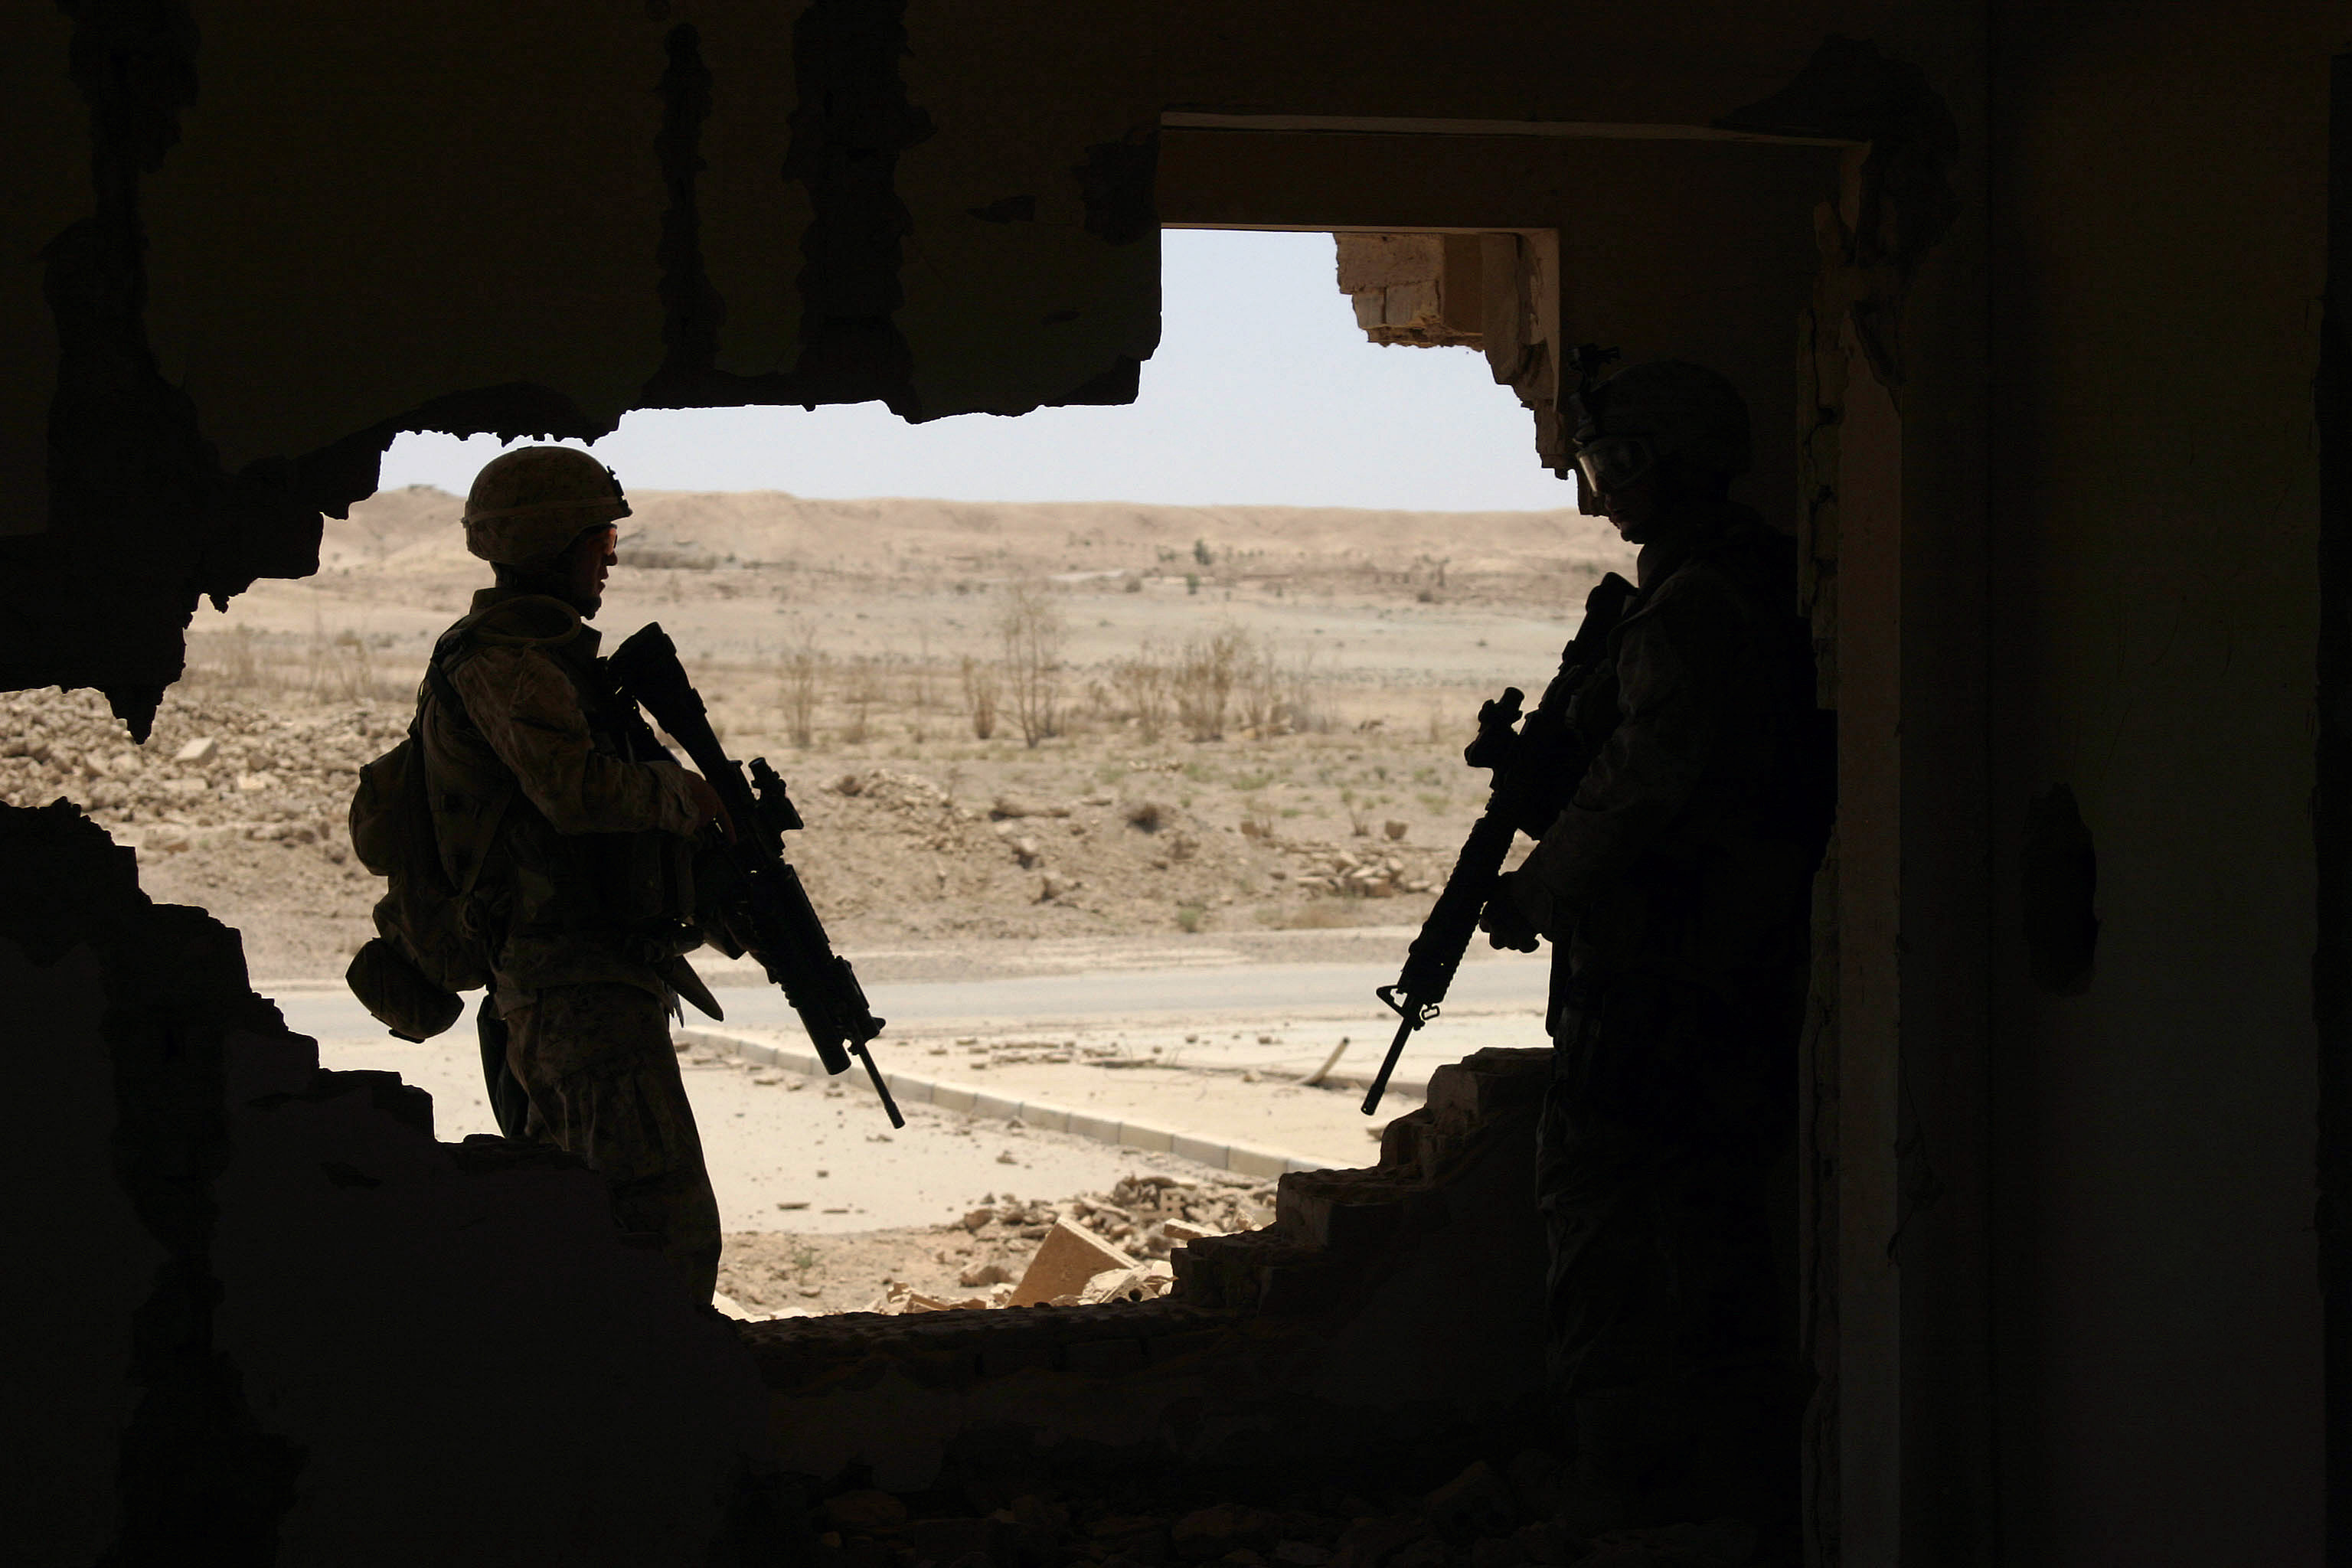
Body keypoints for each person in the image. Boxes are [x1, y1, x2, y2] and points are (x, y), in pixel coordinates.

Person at [1479, 361, 1824, 1540]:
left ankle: (1628, 1489)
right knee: (1703, 1225)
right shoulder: (1720, 589)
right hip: (1710, 971)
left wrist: (1540, 889)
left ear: (1659, 463)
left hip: (1665, 981)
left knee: (1611, 1220)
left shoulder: (1695, 610)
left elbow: (1645, 792)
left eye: (1610, 466)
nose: (1601, 492)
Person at [416, 446, 733, 1302]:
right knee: (656, 1229)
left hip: (588, 973)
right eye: (599, 537)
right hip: (569, 985)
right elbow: (574, 789)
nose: (612, 556)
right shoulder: (509, 659)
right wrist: (688, 796)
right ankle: (645, 1416)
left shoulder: (550, 655)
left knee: (588, 1224)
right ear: (553, 542)